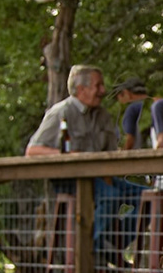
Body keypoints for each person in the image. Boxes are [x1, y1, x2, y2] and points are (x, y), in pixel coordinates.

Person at [23, 64, 142, 262]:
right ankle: (89, 250)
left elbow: (111, 153)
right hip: (70, 179)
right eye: (98, 85)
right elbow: (32, 151)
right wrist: (67, 155)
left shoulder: (103, 116)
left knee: (145, 196)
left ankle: (109, 244)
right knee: (111, 196)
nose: (103, 90)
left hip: (101, 178)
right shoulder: (61, 112)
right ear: (81, 89)